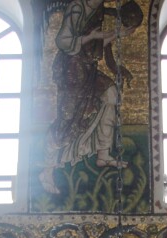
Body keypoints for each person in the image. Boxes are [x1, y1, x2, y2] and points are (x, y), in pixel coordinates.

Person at [38, 0, 142, 193]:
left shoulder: (99, 9)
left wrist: (116, 34)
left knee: (111, 94)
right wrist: (90, 36)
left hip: (88, 68)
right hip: (72, 71)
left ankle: (103, 154)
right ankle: (47, 170)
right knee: (67, 122)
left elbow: (97, 44)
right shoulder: (77, 8)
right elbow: (64, 41)